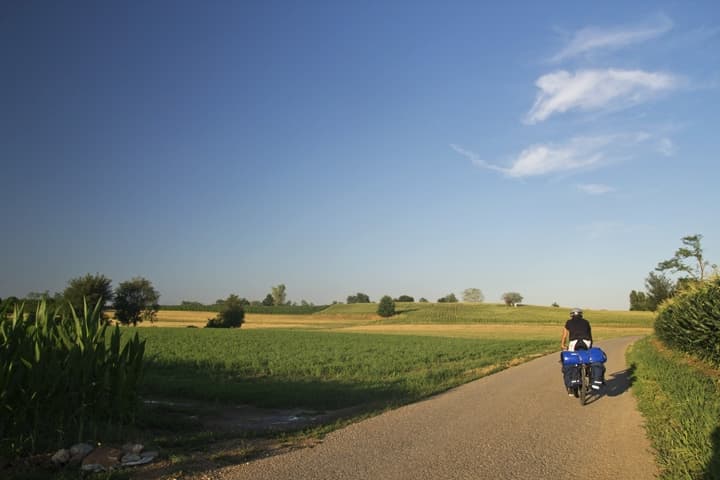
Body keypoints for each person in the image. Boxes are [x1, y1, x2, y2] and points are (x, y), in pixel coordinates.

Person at [561, 308, 594, 396]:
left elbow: (564, 336)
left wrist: (563, 345)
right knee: (585, 358)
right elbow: (590, 335)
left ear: (571, 315)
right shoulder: (586, 322)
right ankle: (586, 370)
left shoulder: (568, 322)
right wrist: (590, 346)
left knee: (572, 359)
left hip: (574, 342)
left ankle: (571, 386)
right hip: (586, 342)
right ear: (581, 314)